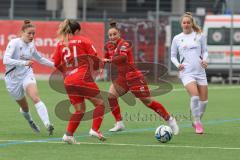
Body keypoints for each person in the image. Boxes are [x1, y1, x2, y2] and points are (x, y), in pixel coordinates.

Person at [103, 21, 179, 135]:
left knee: (148, 102)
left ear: (119, 33)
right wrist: (101, 65)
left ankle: (170, 120)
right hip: (122, 78)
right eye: (110, 35)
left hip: (134, 77)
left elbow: (122, 58)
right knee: (111, 96)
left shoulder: (124, 44)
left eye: (114, 34)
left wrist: (109, 60)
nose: (112, 37)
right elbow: (106, 55)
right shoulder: (109, 46)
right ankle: (119, 123)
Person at [53, 19, 106, 144]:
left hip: (69, 80)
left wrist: (67, 72)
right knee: (101, 104)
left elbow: (56, 63)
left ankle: (68, 135)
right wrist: (99, 68)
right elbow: (94, 57)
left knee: (80, 110)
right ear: (77, 31)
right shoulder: (84, 40)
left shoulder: (61, 43)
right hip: (82, 78)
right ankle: (95, 129)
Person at [3, 20, 54, 135]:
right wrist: (23, 63)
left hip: (27, 74)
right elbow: (6, 60)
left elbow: (40, 58)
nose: (31, 36)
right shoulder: (14, 43)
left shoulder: (32, 44)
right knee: (25, 108)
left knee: (35, 97)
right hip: (12, 79)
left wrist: (55, 65)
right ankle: (31, 121)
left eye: (33, 34)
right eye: (29, 33)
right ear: (22, 32)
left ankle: (47, 124)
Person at [170, 12, 208, 134]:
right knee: (195, 97)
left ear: (192, 23)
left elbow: (205, 51)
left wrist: (205, 60)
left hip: (200, 72)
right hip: (186, 72)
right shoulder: (177, 38)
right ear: (181, 24)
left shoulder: (199, 35)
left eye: (188, 22)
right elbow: (173, 56)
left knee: (204, 102)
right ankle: (197, 123)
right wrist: (178, 65)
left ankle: (197, 120)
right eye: (184, 22)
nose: (186, 24)